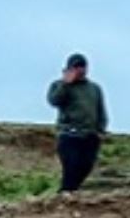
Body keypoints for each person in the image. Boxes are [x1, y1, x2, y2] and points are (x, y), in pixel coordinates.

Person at [46, 53, 107, 192]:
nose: (80, 70)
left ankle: (69, 194)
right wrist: (65, 84)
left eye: (83, 66)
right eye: (76, 67)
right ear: (69, 68)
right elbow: (54, 101)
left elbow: (100, 109)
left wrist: (101, 130)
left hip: (90, 135)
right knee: (71, 167)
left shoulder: (94, 88)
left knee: (86, 166)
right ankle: (65, 195)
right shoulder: (59, 85)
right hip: (69, 135)